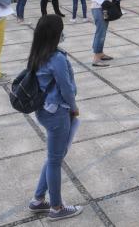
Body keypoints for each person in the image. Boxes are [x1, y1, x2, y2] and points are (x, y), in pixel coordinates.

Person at [26, 14, 83, 221]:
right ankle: (57, 208)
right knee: (55, 160)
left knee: (53, 157)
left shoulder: (38, 53)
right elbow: (66, 88)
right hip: (57, 113)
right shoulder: (56, 58)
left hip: (44, 110)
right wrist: (74, 108)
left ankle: (38, 200)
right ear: (55, 34)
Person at [89, 0, 118, 66]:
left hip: (107, 8)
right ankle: (96, 59)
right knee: (100, 32)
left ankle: (100, 53)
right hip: (98, 8)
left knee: (103, 31)